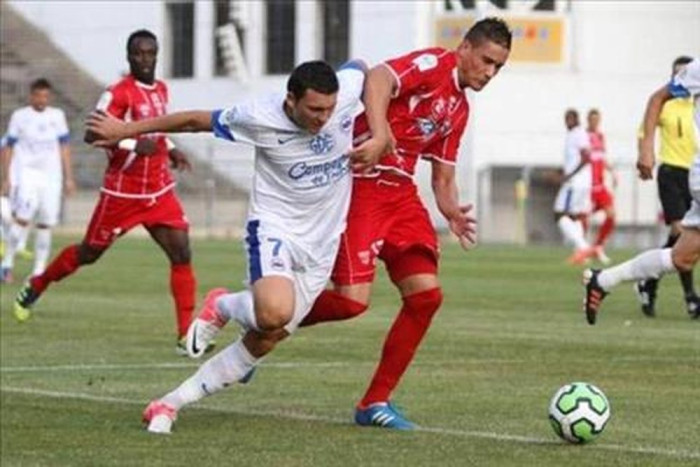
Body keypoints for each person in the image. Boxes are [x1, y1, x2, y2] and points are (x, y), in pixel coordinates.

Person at [189, 17, 505, 430]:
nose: (489, 72)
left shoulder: (459, 108)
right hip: (361, 186)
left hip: (401, 196)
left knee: (426, 298)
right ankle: (252, 330)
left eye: (498, 67)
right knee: (351, 301)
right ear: (465, 47)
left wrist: (450, 210)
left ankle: (374, 402)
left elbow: (443, 177)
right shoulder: (432, 64)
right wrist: (378, 133)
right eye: (486, 60)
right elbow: (376, 77)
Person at [86, 59, 373, 434]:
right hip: (275, 230)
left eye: (330, 110)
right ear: (291, 100)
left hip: (322, 244)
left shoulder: (348, 89)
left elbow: (370, 70)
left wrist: (380, 133)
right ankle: (222, 304)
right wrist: (126, 129)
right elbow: (192, 121)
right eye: (314, 109)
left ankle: (170, 402)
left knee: (265, 339)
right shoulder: (259, 115)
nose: (324, 118)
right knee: (273, 314)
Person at [13, 30, 197, 355]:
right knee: (89, 253)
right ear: (129, 57)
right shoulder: (118, 93)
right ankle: (38, 283)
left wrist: (170, 149)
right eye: (139, 54)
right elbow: (91, 134)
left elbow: (156, 129)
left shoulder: (161, 89)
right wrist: (131, 143)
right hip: (122, 195)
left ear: (157, 54)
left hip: (158, 190)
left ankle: (186, 336)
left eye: (150, 53)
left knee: (182, 254)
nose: (145, 59)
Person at [583, 57, 700, 324]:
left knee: (682, 257)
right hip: (685, 171)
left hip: (692, 174)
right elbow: (658, 98)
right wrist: (647, 147)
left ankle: (603, 280)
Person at [634, 56, 699, 317]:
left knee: (683, 239)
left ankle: (648, 280)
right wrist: (646, 151)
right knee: (679, 229)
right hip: (671, 171)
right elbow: (646, 125)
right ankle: (690, 296)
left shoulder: (693, 103)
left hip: (691, 170)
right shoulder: (669, 105)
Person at [1, 78, 75, 283]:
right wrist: (6, 177)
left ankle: (38, 272)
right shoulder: (20, 116)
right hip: (26, 175)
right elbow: (8, 147)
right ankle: (6, 264)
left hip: (52, 177)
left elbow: (64, 147)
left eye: (45, 96)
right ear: (31, 95)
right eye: (38, 95)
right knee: (22, 220)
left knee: (45, 224)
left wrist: (69, 177)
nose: (42, 100)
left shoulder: (57, 116)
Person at [554, 109, 594, 265]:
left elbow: (586, 157)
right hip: (582, 182)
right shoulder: (574, 134)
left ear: (576, 119)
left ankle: (584, 247)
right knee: (574, 216)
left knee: (559, 214)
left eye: (569, 119)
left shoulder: (578, 134)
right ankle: (582, 254)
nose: (567, 122)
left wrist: (568, 176)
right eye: (566, 119)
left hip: (575, 183)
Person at [586, 108, 617, 264]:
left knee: (611, 216)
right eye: (592, 120)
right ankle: (583, 249)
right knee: (583, 218)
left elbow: (602, 159)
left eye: (597, 120)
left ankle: (598, 247)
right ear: (588, 120)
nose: (595, 122)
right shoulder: (583, 137)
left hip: (600, 185)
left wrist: (612, 173)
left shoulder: (600, 136)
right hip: (587, 186)